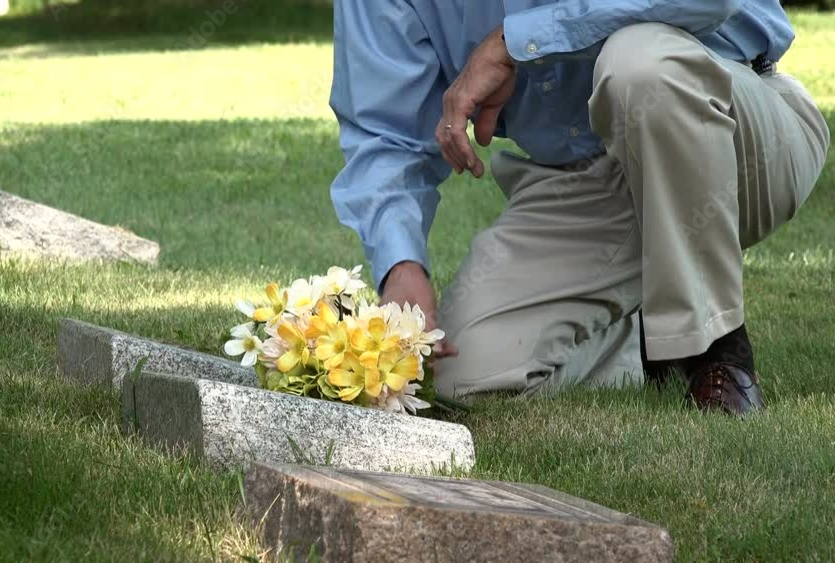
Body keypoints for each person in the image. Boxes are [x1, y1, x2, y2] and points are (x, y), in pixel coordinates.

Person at [329, 1, 830, 414]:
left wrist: (515, 42)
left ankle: (716, 348)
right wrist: (401, 266)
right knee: (466, 374)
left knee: (640, 64)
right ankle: (641, 333)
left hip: (736, 131)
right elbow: (383, 134)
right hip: (591, 183)